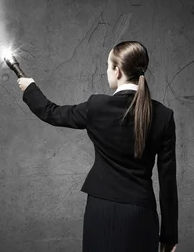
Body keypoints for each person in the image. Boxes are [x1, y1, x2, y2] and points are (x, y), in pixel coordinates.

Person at [16, 41, 178, 252]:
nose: (106, 71)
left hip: (101, 210)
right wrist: (169, 235)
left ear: (117, 71)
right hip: (141, 213)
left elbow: (51, 112)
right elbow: (168, 182)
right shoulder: (164, 116)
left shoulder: (97, 107)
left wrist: (30, 88)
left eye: (108, 65)